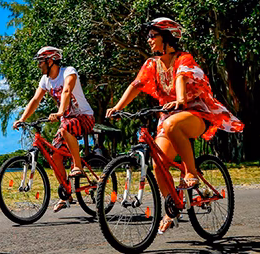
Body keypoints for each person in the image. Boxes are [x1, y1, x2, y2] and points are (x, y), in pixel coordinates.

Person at [105, 17, 244, 233]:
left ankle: (191, 173)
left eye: (153, 36)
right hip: (169, 116)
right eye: (148, 36)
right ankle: (172, 206)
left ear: (167, 37)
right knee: (158, 163)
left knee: (171, 125)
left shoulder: (183, 59)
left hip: (195, 114)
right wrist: (118, 106)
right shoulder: (151, 64)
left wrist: (180, 100)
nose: (149, 40)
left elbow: (181, 78)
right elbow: (136, 85)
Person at [13, 46, 96, 212]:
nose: (39, 66)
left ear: (50, 61)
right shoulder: (45, 81)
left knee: (65, 128)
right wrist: (22, 119)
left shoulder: (68, 72)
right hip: (66, 120)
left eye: (41, 62)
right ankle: (66, 194)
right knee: (55, 156)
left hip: (84, 117)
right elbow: (35, 100)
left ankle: (77, 166)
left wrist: (60, 112)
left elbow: (66, 90)